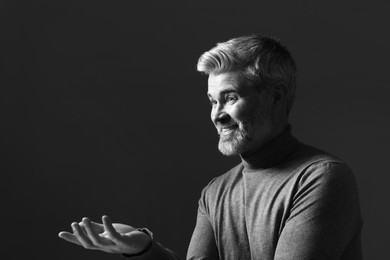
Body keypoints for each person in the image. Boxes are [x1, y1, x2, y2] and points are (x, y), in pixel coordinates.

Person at [58, 35, 363, 260]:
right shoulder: (216, 192)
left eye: (230, 98)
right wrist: (143, 249)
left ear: (277, 96)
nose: (217, 115)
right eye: (212, 101)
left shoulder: (321, 178)